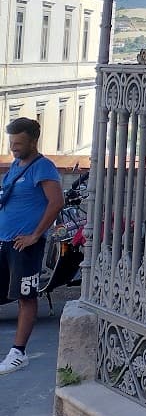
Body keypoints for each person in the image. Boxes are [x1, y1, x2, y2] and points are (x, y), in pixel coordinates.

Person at [0, 117, 63, 373]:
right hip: (5, 242)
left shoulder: (43, 167)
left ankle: (18, 352)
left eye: (19, 143)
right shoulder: (16, 165)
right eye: (11, 143)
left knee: (26, 297)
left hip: (24, 246)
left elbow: (56, 202)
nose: (13, 147)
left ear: (33, 142)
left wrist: (35, 235)